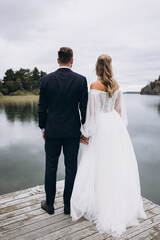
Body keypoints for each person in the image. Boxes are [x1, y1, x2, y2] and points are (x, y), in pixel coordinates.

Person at [71, 54, 147, 237]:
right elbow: (120, 111)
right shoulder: (117, 85)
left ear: (97, 67)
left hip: (101, 127)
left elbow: (92, 115)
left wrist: (86, 133)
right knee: (116, 164)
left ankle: (98, 202)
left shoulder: (95, 86)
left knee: (97, 162)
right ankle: (120, 201)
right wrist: (117, 129)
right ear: (110, 66)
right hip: (115, 125)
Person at [38, 47, 88, 215]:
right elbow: (84, 108)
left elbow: (41, 108)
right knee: (71, 168)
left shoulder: (46, 80)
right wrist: (84, 129)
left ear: (58, 60)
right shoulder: (81, 80)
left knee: (50, 167)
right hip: (72, 132)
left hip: (52, 130)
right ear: (72, 61)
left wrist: (43, 127)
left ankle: (50, 205)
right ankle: (68, 205)